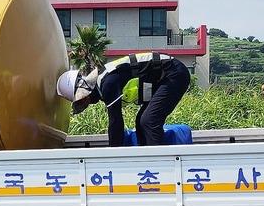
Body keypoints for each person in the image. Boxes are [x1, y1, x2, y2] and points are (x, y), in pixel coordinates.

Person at [57, 52, 192, 147]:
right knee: (141, 121)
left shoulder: (106, 83)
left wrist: (115, 156)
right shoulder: (103, 83)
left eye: (81, 100)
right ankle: (147, 159)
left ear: (84, 87)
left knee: (149, 121)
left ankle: (160, 165)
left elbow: (115, 122)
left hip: (173, 73)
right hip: (157, 80)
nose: (85, 105)